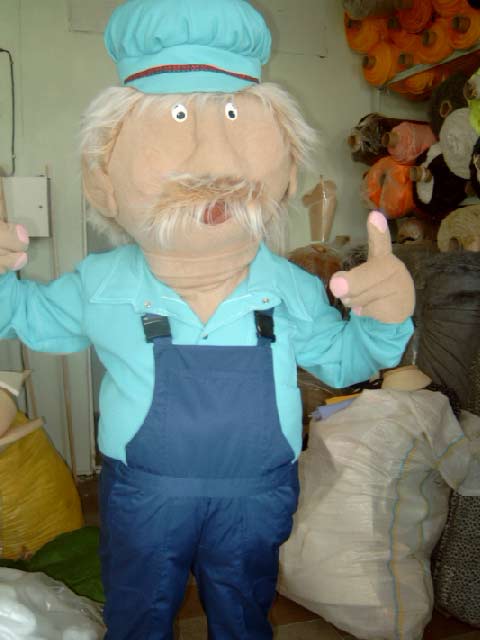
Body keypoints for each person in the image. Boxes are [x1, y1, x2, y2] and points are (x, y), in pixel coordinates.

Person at [0, 1, 414, 638]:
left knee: (243, 609)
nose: (215, 161)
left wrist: (384, 321)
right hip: (144, 496)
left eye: (232, 115)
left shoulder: (288, 286)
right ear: (103, 179)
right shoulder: (102, 283)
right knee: (139, 612)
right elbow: (23, 315)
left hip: (256, 497)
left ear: (285, 170)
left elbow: (345, 360)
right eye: (178, 116)